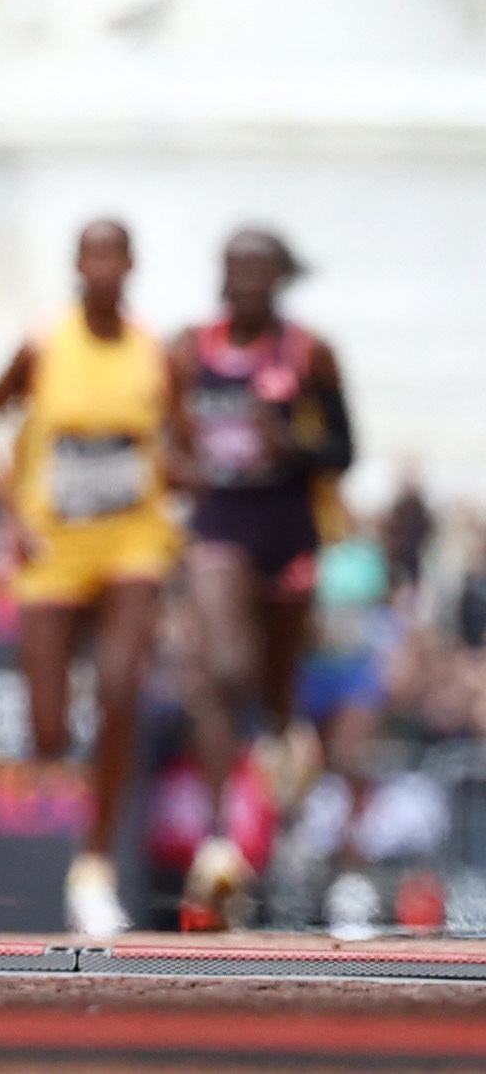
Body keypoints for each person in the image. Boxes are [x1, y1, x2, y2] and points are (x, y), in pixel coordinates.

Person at [0, 219, 178, 940]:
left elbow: (183, 444)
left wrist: (193, 481)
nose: (103, 269)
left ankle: (95, 865)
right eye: (92, 256)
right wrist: (9, 518)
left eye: (115, 255)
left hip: (132, 542)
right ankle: (70, 825)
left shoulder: (153, 350)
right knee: (50, 731)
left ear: (132, 264)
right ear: (77, 266)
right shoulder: (44, 344)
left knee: (120, 687)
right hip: (53, 546)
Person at [168, 227, 354, 930]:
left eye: (258, 271)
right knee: (223, 670)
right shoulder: (190, 348)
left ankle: (287, 780)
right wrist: (182, 466)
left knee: (277, 697)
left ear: (280, 279)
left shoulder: (309, 352)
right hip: (221, 522)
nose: (245, 283)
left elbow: (344, 449)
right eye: (235, 269)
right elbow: (164, 433)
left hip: (288, 531)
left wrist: (293, 445)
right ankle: (219, 838)